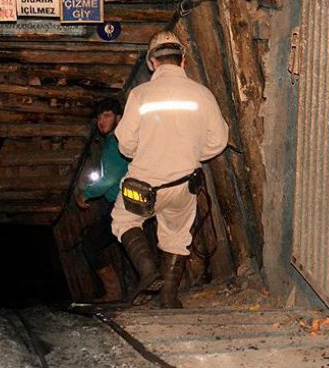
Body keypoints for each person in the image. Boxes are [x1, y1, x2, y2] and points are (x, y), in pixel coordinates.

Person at [112, 31, 229, 308]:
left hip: (143, 188)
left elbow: (125, 144)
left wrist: (143, 152)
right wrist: (189, 154)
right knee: (177, 237)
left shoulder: (140, 95)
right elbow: (219, 141)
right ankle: (168, 298)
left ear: (152, 62)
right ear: (183, 60)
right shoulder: (202, 95)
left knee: (124, 220)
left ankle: (148, 270)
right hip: (182, 185)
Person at [76, 98, 130, 303]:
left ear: (118, 117)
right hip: (120, 202)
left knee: (91, 243)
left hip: (124, 203)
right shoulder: (112, 141)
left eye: (106, 115)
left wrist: (86, 193)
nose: (101, 121)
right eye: (99, 117)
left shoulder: (116, 141)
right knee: (108, 239)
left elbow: (110, 178)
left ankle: (115, 293)